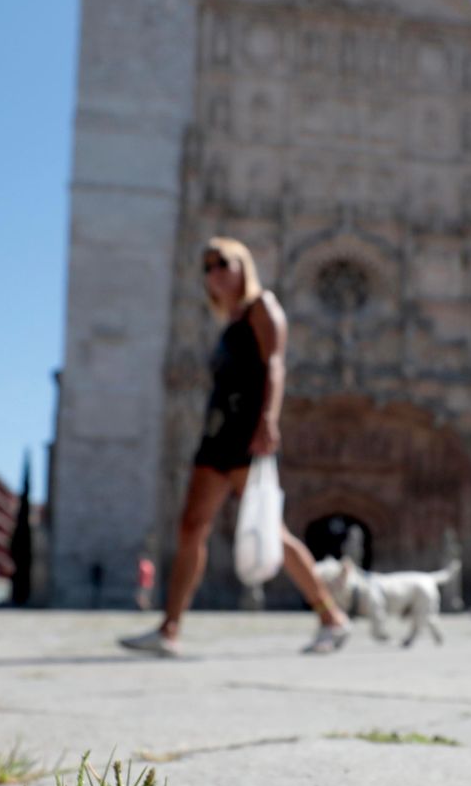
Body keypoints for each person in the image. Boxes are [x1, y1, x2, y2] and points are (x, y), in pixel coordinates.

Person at [120, 238, 350, 657]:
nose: (213, 273)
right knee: (192, 526)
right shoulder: (229, 321)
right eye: (206, 267)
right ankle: (168, 630)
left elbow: (275, 365)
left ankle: (330, 616)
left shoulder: (263, 305)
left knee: (270, 530)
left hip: (247, 430)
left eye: (222, 263)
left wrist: (268, 419)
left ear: (244, 265)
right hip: (217, 433)